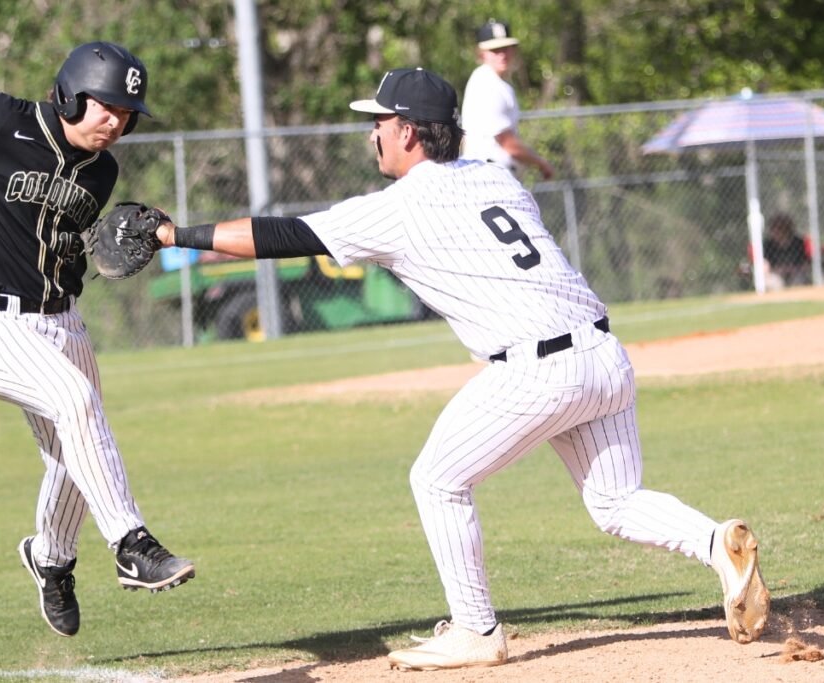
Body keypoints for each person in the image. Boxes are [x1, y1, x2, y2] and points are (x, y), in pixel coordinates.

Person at [151, 67, 769, 670]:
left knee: (437, 480)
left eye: (381, 122)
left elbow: (284, 235)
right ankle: (717, 543)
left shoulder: (400, 206)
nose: (373, 134)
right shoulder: (493, 178)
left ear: (410, 133)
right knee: (615, 501)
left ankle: (476, 629)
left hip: (537, 370)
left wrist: (175, 233)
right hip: (604, 355)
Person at [0, 41, 195, 638]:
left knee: (74, 452)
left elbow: (60, 245)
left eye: (127, 112)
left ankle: (51, 561)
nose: (117, 120)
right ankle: (132, 543)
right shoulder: (1, 120)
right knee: (77, 404)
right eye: (105, 105)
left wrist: (109, 252)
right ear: (68, 93)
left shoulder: (102, 171)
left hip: (64, 322)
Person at [460, 20, 554, 180]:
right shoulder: (486, 82)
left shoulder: (497, 82)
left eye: (505, 48)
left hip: (493, 174)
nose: (502, 54)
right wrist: (540, 162)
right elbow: (506, 142)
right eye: (495, 50)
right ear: (481, 53)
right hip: (488, 174)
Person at [762, 213, 810, 290]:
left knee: (799, 281)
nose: (777, 230)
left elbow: (806, 263)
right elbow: (765, 265)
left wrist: (792, 269)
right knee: (773, 282)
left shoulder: (798, 242)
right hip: (775, 274)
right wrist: (777, 270)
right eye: (775, 227)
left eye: (781, 227)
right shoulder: (768, 245)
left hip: (796, 273)